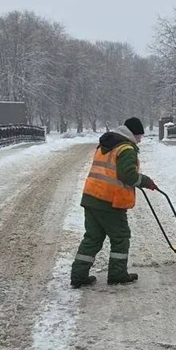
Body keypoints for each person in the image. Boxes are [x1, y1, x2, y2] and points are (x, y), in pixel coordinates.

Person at [70, 117, 157, 289]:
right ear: (133, 133)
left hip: (91, 197)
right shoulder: (126, 149)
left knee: (93, 238)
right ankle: (117, 274)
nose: (140, 139)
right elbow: (128, 175)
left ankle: (78, 276)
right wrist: (146, 181)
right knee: (121, 238)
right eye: (139, 135)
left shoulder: (106, 145)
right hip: (109, 201)